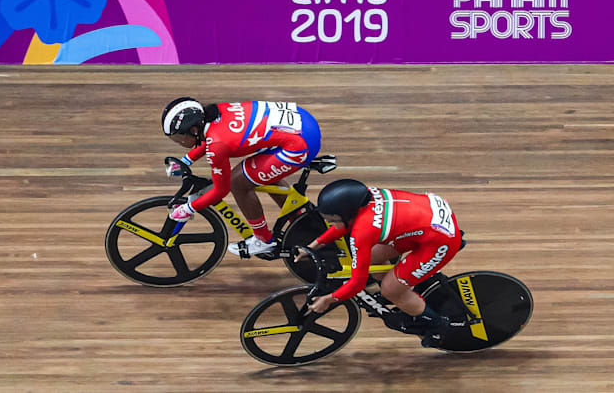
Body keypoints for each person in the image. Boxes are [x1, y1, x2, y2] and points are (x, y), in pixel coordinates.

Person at [296, 179, 463, 347]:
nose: (331, 222)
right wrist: (313, 246)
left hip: (439, 242)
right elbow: (343, 225)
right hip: (425, 224)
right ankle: (406, 292)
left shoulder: (363, 231)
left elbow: (357, 283)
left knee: (390, 289)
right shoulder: (363, 197)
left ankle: (438, 326)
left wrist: (329, 299)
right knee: (374, 258)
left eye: (333, 218)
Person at [162, 97, 322, 256]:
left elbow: (221, 190)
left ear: (194, 130)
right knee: (259, 174)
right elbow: (208, 136)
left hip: (299, 144)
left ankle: (263, 240)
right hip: (302, 122)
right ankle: (300, 221)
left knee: (237, 183)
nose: (178, 142)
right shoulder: (215, 112)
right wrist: (186, 160)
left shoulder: (217, 147)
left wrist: (189, 208)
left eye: (179, 137)